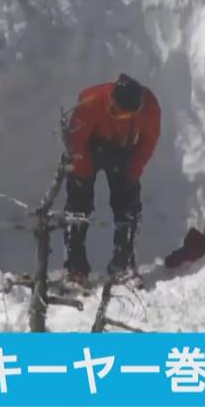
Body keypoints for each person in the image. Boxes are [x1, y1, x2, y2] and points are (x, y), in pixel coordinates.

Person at [63, 74, 161, 287]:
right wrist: (82, 174)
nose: (117, 116)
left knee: (129, 208)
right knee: (77, 207)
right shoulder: (91, 101)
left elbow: (146, 145)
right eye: (114, 110)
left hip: (124, 149)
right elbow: (76, 142)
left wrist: (132, 173)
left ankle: (124, 265)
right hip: (89, 148)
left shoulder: (150, 108)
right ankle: (75, 268)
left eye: (123, 114)